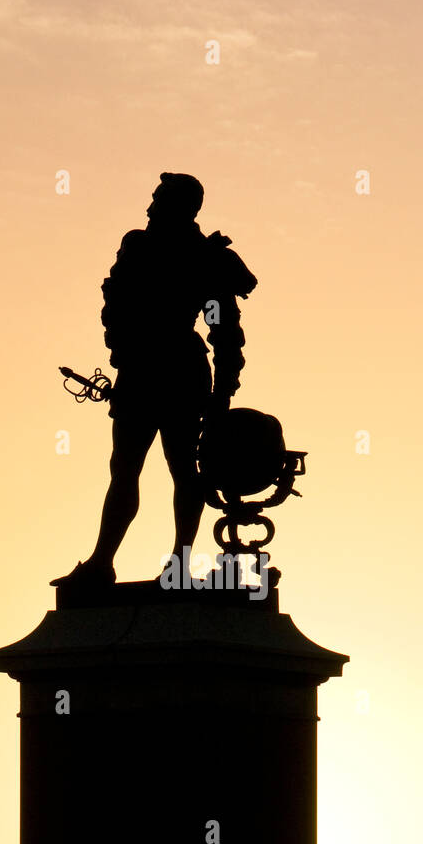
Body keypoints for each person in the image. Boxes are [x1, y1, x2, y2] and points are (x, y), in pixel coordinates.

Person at [61, 173, 257, 589]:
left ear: (182, 206)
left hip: (180, 372)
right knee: (124, 467)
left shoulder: (208, 259)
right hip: (139, 368)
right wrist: (122, 349)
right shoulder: (138, 245)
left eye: (158, 199)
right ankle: (102, 561)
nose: (149, 207)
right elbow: (115, 303)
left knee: (182, 468)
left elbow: (223, 329)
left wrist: (223, 390)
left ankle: (179, 564)